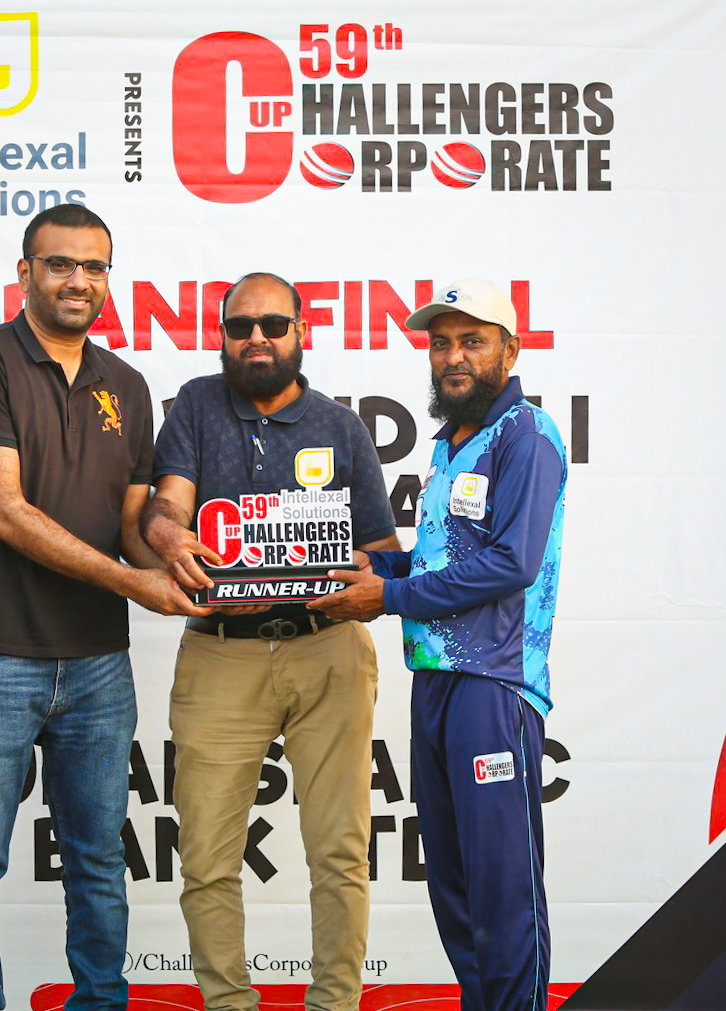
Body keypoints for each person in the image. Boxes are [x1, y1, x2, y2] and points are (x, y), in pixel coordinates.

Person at [0, 203, 208, 1011]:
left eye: (93, 266)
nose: (77, 280)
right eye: (59, 264)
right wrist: (132, 584)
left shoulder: (127, 385)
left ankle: (100, 1002)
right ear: (25, 273)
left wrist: (187, 563)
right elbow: (3, 512)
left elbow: (130, 525)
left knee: (96, 858)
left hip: (95, 664)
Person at [140, 272, 400, 1011]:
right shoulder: (195, 403)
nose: (256, 337)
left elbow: (382, 549)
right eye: (240, 325)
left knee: (340, 850)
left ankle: (334, 1004)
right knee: (206, 854)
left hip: (328, 647)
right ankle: (227, 1003)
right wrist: (166, 535)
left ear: (300, 333)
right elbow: (168, 504)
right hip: (220, 648)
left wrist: (351, 571)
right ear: (222, 335)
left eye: (273, 324)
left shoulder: (341, 426)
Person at [309, 279, 567, 1011]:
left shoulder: (526, 435)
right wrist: (375, 567)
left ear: (509, 351)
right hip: (436, 681)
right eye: (441, 343)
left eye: (472, 341)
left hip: (494, 686)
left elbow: (510, 563)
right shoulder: (453, 442)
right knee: (453, 885)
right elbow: (444, 557)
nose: (453, 357)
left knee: (502, 887)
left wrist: (386, 597)